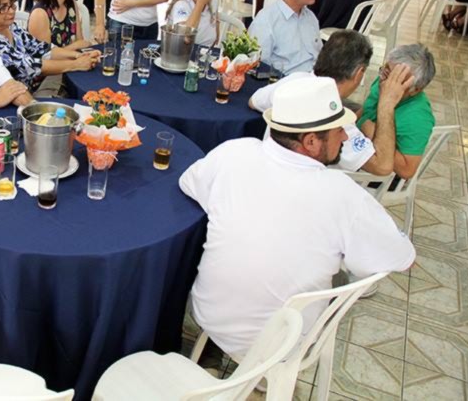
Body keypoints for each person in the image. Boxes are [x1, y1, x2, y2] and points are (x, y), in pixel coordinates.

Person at [180, 76, 415, 359]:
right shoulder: (343, 194)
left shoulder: (234, 152)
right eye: (339, 130)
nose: (345, 137)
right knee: (337, 274)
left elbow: (188, 183)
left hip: (208, 315)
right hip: (279, 344)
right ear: (311, 141)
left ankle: (212, 355)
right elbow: (400, 258)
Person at [250, 30, 415, 176]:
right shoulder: (336, 122)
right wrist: (386, 104)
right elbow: (383, 167)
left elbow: (254, 101)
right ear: (359, 73)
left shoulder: (295, 81)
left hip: (267, 172)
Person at [0, 0, 99, 92]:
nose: (11, 11)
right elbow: (30, 66)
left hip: (30, 89)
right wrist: (76, 64)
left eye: (12, 4)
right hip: (11, 100)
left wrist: (79, 55)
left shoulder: (10, 27)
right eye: (3, 7)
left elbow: (43, 48)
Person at [358, 43, 436, 180]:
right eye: (386, 71)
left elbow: (407, 170)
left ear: (415, 90)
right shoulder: (384, 78)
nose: (386, 82)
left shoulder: (418, 119)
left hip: (384, 176)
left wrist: (371, 132)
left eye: (396, 80)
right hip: (361, 141)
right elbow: (365, 111)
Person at [248, 0, 321, 75]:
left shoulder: (310, 17)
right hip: (287, 81)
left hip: (316, 78)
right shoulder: (266, 21)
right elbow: (256, 66)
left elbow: (318, 54)